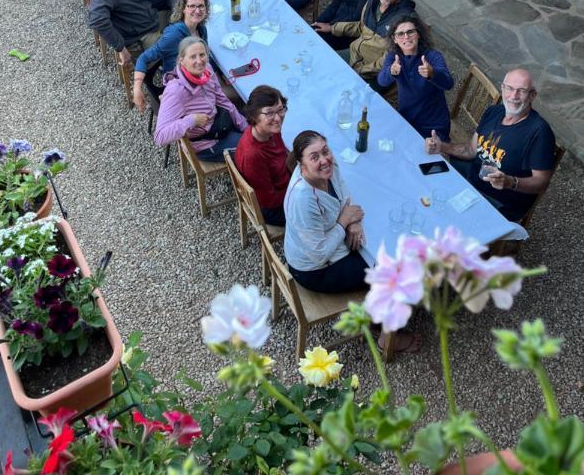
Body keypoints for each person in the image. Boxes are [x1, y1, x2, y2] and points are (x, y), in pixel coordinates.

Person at [284, 131, 420, 354]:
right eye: (314, 156)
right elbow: (319, 254)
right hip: (315, 269)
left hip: (328, 243)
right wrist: (344, 221)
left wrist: (353, 223)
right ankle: (385, 335)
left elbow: (344, 191)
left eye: (325, 151)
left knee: (381, 244)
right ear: (301, 164)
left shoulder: (329, 168)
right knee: (393, 269)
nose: (324, 159)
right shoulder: (303, 199)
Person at [425, 68, 556, 221]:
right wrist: (441, 146)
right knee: (427, 187)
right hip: (471, 181)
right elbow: (471, 150)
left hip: (498, 201)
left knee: (442, 218)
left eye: (521, 91)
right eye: (510, 88)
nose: (514, 96)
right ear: (502, 88)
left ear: (532, 95)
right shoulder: (494, 112)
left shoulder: (539, 132)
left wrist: (510, 182)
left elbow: (541, 183)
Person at [154, 38, 247, 163]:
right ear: (182, 61)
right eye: (192, 57)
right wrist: (191, 120)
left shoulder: (206, 70)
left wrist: (244, 125)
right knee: (254, 148)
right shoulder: (176, 91)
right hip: (206, 143)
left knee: (258, 125)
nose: (199, 61)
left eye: (202, 55)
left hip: (219, 123)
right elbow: (160, 136)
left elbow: (223, 101)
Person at [329, 0, 415, 87]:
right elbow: (361, 27)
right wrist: (332, 27)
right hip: (354, 55)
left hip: (373, 73)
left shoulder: (406, 21)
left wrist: (358, 71)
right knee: (325, 63)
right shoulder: (372, 2)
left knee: (341, 90)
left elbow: (390, 60)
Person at [132, 0, 210, 112]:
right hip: (179, 87)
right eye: (192, 6)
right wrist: (137, 89)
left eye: (201, 6)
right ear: (183, 9)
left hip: (196, 77)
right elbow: (144, 58)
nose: (197, 10)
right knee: (230, 96)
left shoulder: (201, 30)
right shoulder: (174, 35)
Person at [378, 13, 454, 140]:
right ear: (394, 39)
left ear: (418, 34)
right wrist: (391, 72)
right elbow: (381, 81)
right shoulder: (393, 56)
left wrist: (432, 73)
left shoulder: (433, 56)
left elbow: (449, 84)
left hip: (433, 126)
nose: (406, 37)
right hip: (406, 119)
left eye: (410, 32)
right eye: (400, 34)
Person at [235, 86, 291, 226]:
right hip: (273, 207)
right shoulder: (253, 156)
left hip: (283, 184)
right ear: (254, 116)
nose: (278, 118)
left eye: (280, 109)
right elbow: (269, 200)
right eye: (269, 113)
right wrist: (299, 192)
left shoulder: (268, 130)